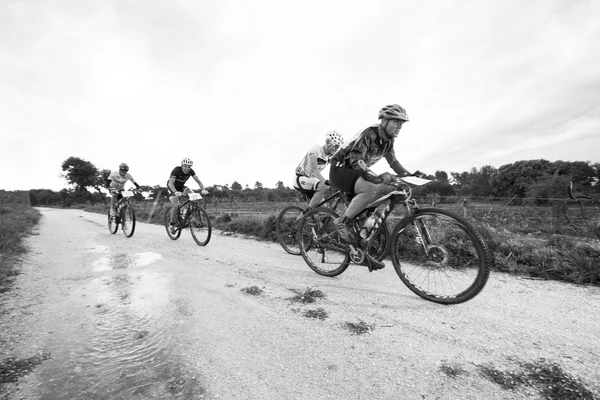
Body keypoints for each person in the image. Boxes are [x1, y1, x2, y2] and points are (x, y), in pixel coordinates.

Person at [329, 104, 414, 270]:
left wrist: (411, 175)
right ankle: (342, 222)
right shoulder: (370, 133)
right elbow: (355, 158)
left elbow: (394, 163)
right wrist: (374, 177)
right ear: (384, 121)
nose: (399, 127)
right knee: (371, 187)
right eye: (396, 122)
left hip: (357, 170)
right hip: (341, 169)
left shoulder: (388, 142)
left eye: (401, 124)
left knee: (384, 193)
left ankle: (359, 248)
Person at [293, 130, 344, 212]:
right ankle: (305, 214)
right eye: (336, 146)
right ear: (328, 143)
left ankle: (312, 221)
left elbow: (338, 168)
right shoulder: (316, 150)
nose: (336, 150)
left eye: (338, 148)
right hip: (300, 178)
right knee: (324, 186)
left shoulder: (329, 157)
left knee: (324, 211)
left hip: (311, 181)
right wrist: (326, 181)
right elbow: (314, 170)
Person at [167, 157, 208, 233]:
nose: (187, 168)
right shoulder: (176, 170)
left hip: (181, 187)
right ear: (182, 165)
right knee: (176, 206)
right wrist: (175, 192)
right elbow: (171, 183)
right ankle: (171, 223)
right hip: (172, 188)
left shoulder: (191, 171)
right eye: (185, 166)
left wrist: (203, 189)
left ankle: (185, 212)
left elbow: (198, 181)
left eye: (189, 167)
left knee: (194, 196)